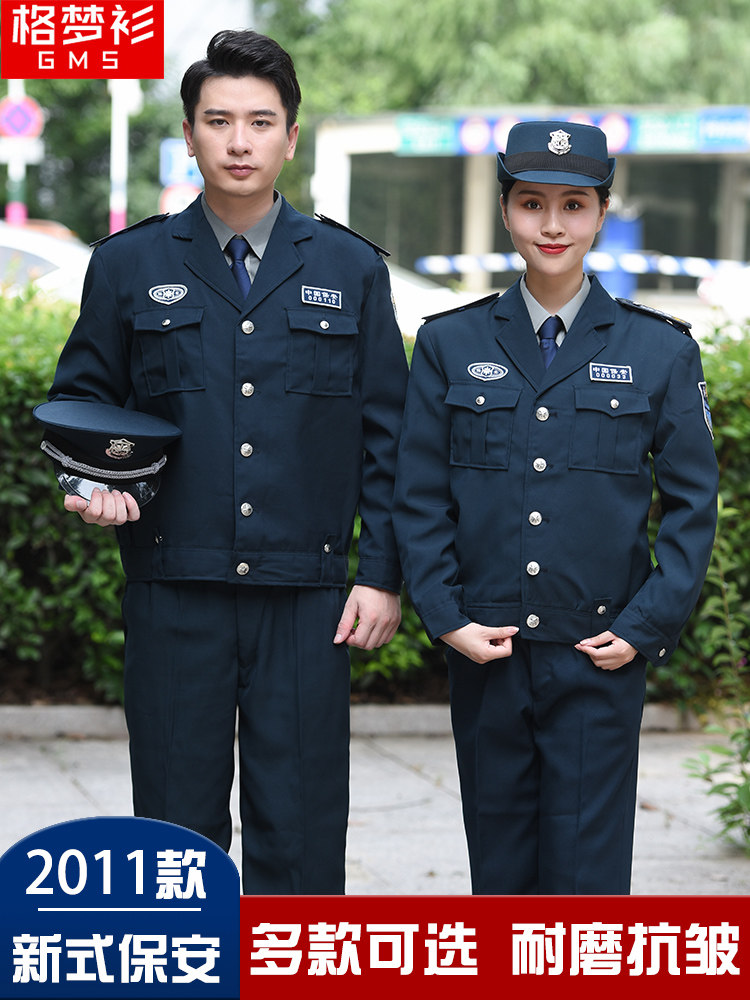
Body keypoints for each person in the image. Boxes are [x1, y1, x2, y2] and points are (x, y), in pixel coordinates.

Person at [44, 29, 408, 894]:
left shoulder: (351, 268)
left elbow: (389, 437)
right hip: (174, 590)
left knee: (303, 837)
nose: (239, 142)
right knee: (174, 838)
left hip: (309, 599)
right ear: (189, 133)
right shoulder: (128, 264)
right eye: (218, 121)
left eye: (260, 121)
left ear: (291, 137)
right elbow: (81, 405)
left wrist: (383, 575)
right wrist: (90, 482)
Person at [393, 120, 718, 894]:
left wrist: (643, 627)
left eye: (574, 205)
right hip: (487, 650)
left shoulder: (660, 350)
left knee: (586, 884)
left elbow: (693, 504)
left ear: (602, 214)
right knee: (499, 879)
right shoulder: (450, 342)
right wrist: (446, 616)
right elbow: (419, 492)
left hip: (598, 654)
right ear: (507, 211)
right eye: (532, 202)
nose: (552, 224)